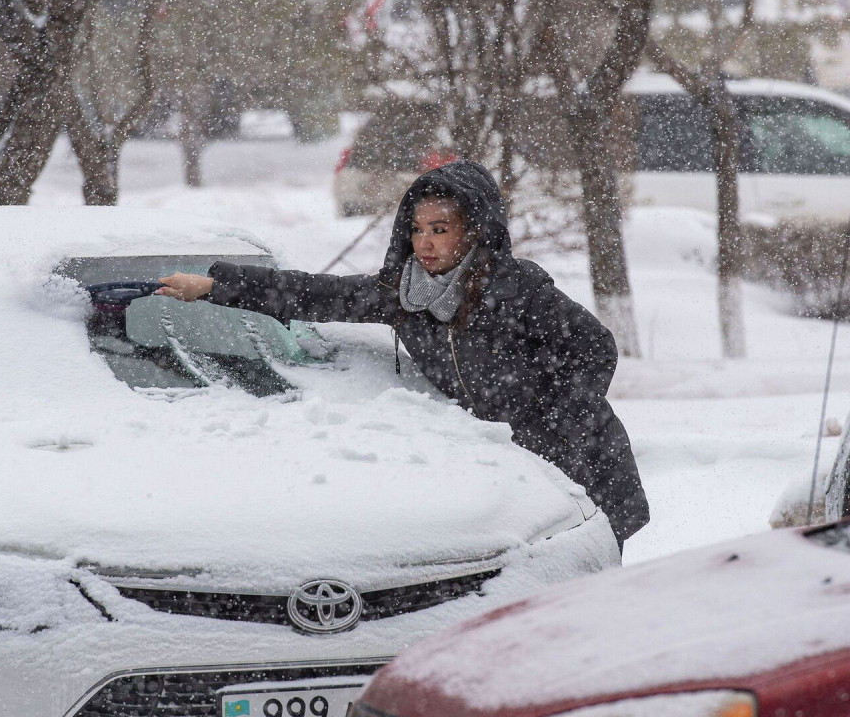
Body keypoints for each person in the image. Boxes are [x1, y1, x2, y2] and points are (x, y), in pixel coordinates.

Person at [157, 160, 649, 550]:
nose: (425, 242)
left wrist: (559, 419)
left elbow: (594, 348)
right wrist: (218, 287)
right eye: (417, 229)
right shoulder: (406, 297)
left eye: (440, 228)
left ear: (473, 230)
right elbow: (316, 294)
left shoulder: (516, 289)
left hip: (581, 461)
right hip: (512, 469)